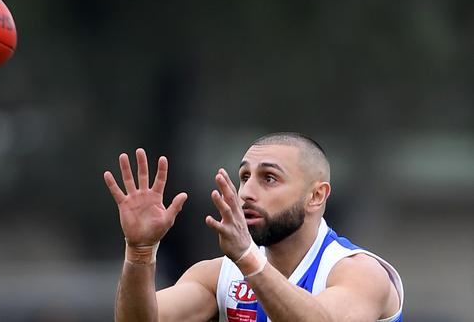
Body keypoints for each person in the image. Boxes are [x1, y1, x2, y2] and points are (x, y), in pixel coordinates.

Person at [103, 132, 404, 322]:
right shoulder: (220, 275)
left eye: (269, 178)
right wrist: (140, 253)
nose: (246, 192)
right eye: (244, 176)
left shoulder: (360, 273)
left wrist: (248, 257)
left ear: (316, 196)